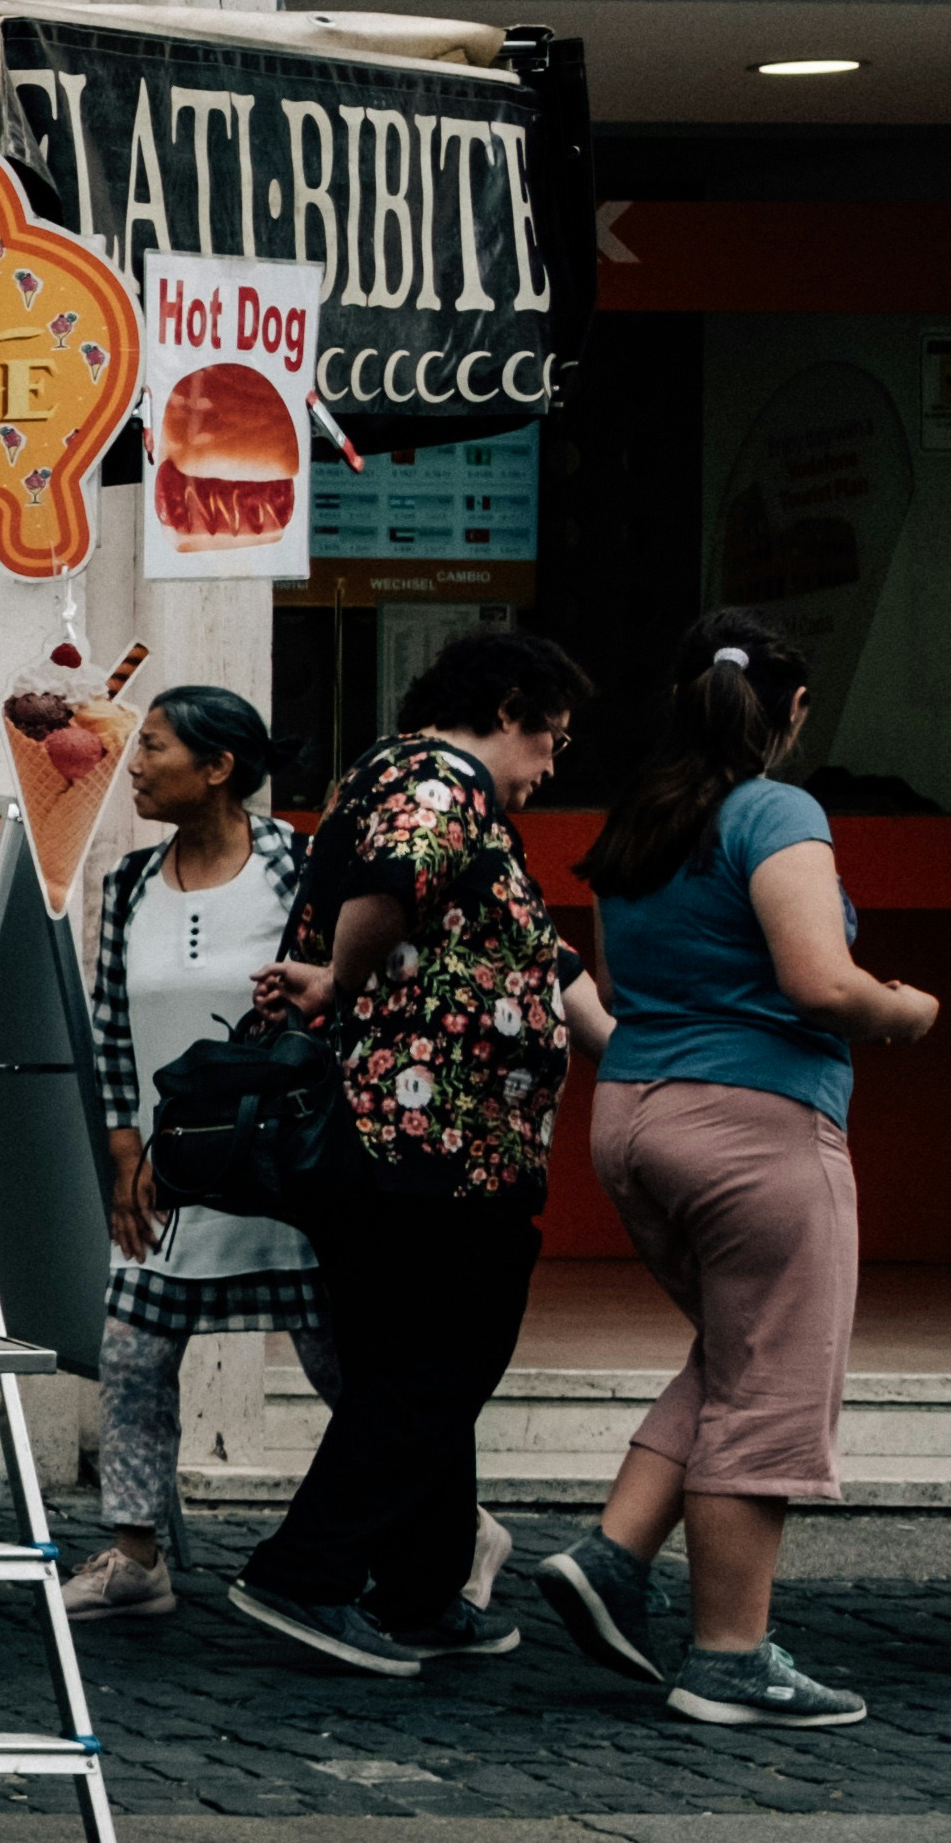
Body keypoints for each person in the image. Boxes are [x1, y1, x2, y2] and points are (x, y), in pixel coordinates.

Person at [523, 613, 941, 1729]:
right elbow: (818, 980)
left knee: (737, 1348)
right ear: (793, 709)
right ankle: (730, 1656)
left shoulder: (642, 820)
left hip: (636, 1115)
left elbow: (618, 985)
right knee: (774, 1383)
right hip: (756, 1124)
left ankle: (614, 1555)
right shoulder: (776, 810)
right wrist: (906, 1009)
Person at [230, 627, 607, 1678]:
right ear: (512, 707)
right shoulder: (441, 783)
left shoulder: (405, 784)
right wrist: (342, 981)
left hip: (422, 1140)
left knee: (412, 1361)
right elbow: (388, 891)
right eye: (551, 740)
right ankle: (305, 1572)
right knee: (444, 1359)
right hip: (430, 1140)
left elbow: (531, 950)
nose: (548, 768)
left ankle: (424, 1587)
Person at [64, 687, 340, 1619]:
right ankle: (135, 1554)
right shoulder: (131, 884)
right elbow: (111, 1032)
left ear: (218, 768)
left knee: (344, 1366)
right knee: (134, 1352)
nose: (133, 764)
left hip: (282, 1173)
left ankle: (447, 1524)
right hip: (166, 1178)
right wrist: (124, 1155)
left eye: (153, 747)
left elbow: (347, 1004)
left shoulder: (299, 869)